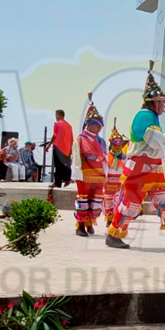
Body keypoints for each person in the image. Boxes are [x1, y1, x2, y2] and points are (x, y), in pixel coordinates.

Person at [106, 64, 165, 250]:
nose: (164, 105)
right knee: (131, 202)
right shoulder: (143, 116)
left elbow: (156, 144)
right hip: (139, 168)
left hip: (153, 168)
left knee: (163, 199)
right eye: (162, 102)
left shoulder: (151, 118)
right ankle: (113, 234)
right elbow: (153, 139)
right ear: (154, 102)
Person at [70, 95, 107, 237]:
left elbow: (105, 159)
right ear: (88, 124)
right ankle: (80, 226)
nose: (98, 128)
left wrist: (106, 175)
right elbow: (76, 159)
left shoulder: (101, 141)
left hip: (98, 177)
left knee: (96, 201)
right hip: (85, 175)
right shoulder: (80, 140)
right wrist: (76, 174)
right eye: (96, 124)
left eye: (100, 125)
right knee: (83, 200)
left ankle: (90, 223)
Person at [104, 119, 127, 227]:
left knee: (118, 203)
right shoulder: (106, 157)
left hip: (119, 185)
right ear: (111, 145)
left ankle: (115, 221)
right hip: (108, 185)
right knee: (108, 203)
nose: (117, 146)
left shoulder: (125, 158)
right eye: (115, 144)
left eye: (119, 144)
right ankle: (109, 220)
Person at [48, 109, 74, 188]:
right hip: (67, 148)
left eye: (56, 115)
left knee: (58, 166)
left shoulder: (58, 124)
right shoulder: (69, 125)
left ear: (58, 115)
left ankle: (58, 183)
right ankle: (67, 178)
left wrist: (49, 145)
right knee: (65, 164)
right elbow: (71, 137)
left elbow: (55, 136)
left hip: (58, 147)